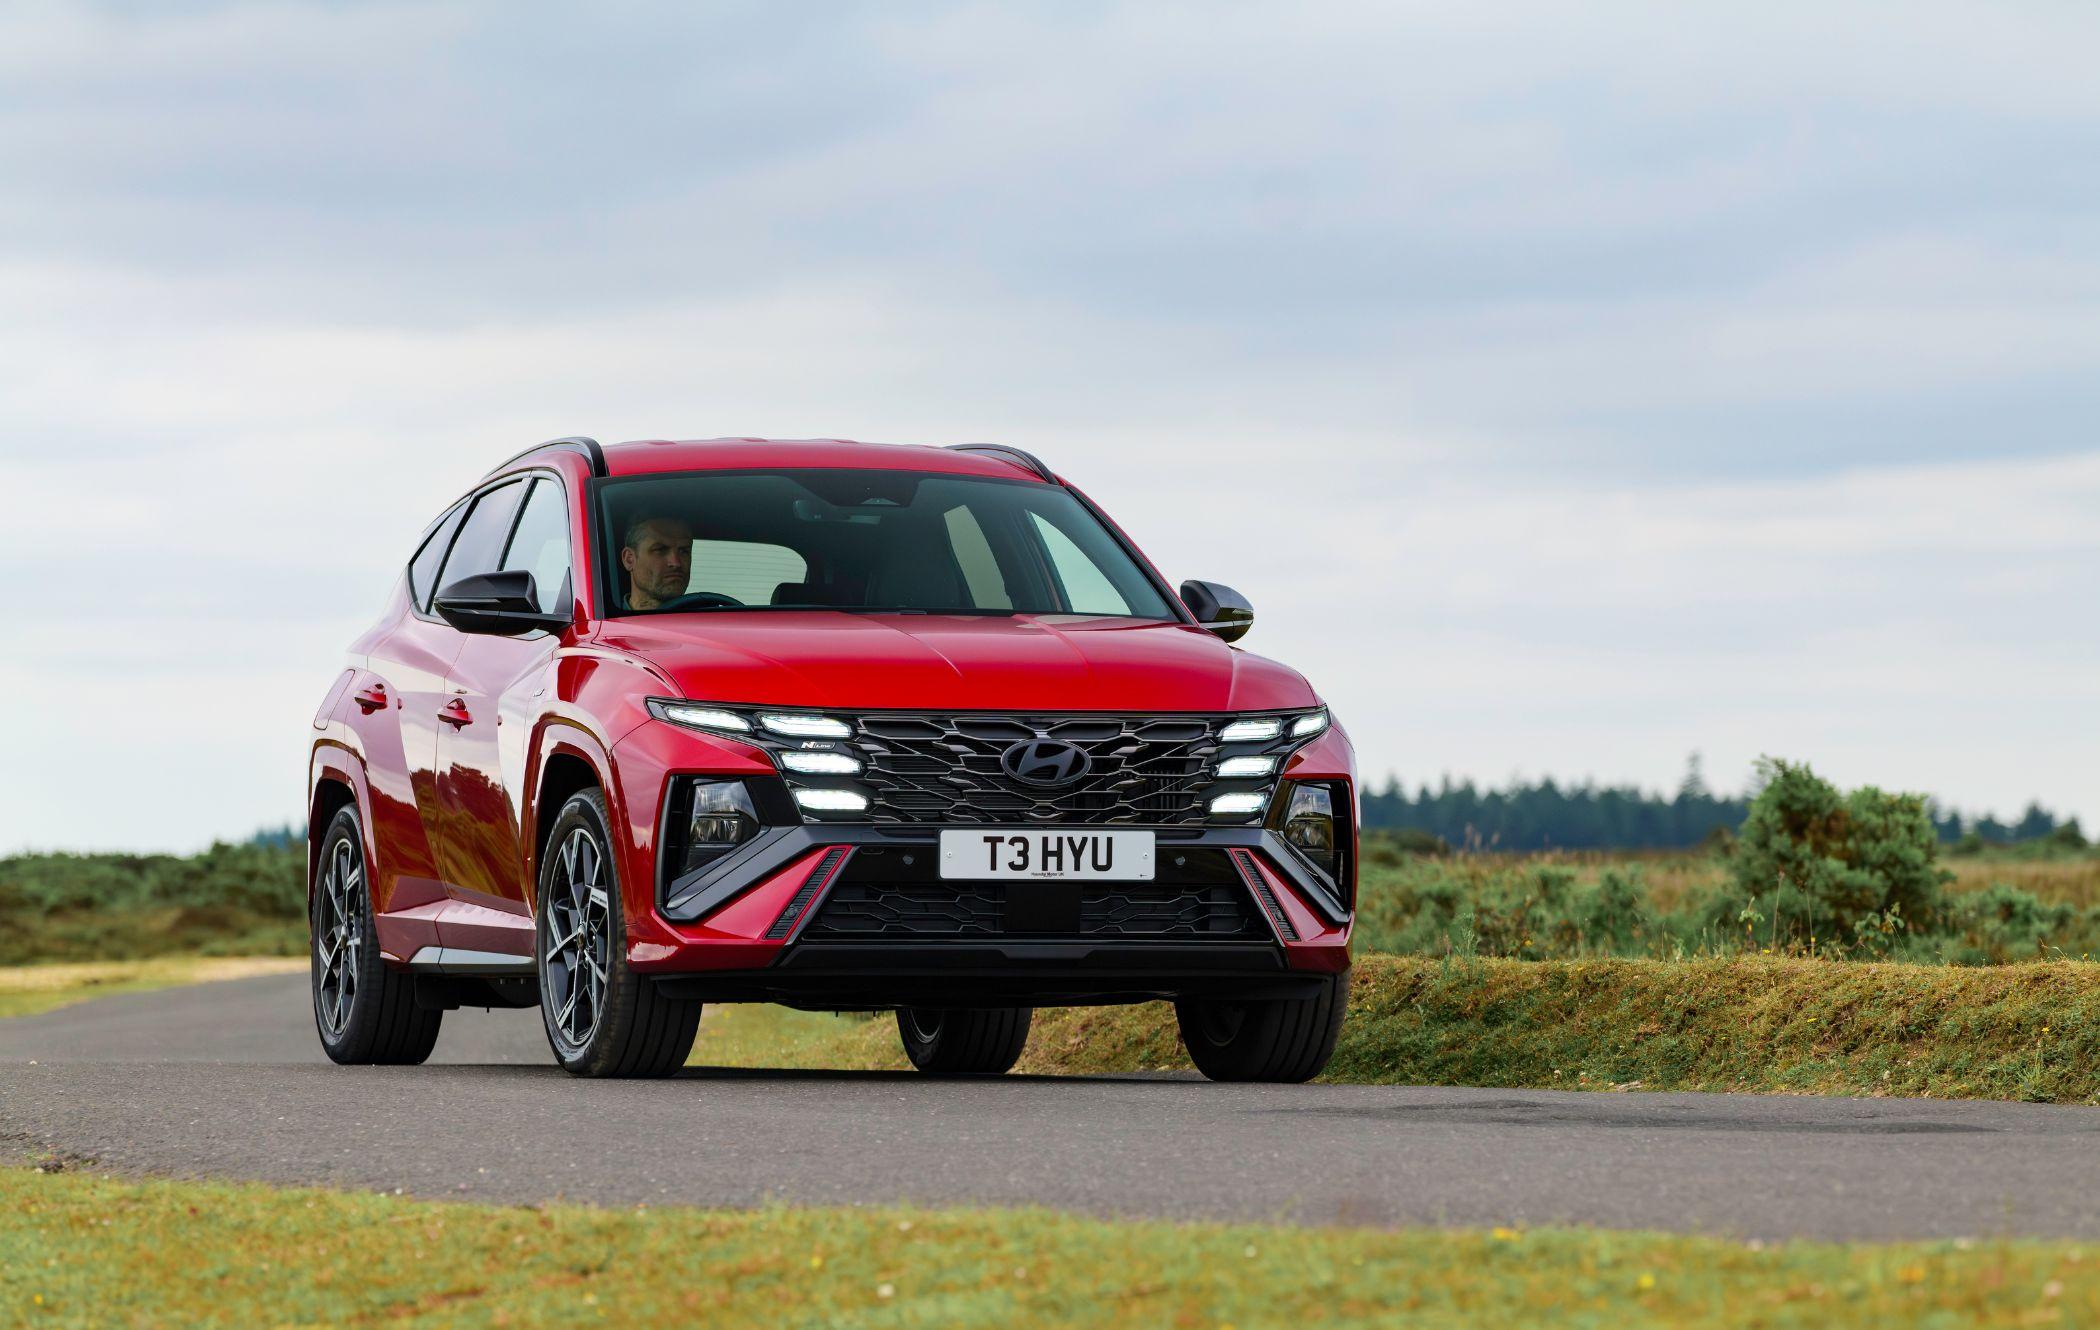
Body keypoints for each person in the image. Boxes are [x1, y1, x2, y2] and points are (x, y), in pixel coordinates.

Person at [621, 516, 694, 610]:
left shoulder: (707, 620)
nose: (676, 563)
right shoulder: (605, 621)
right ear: (629, 560)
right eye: (660, 550)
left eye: (684, 551)